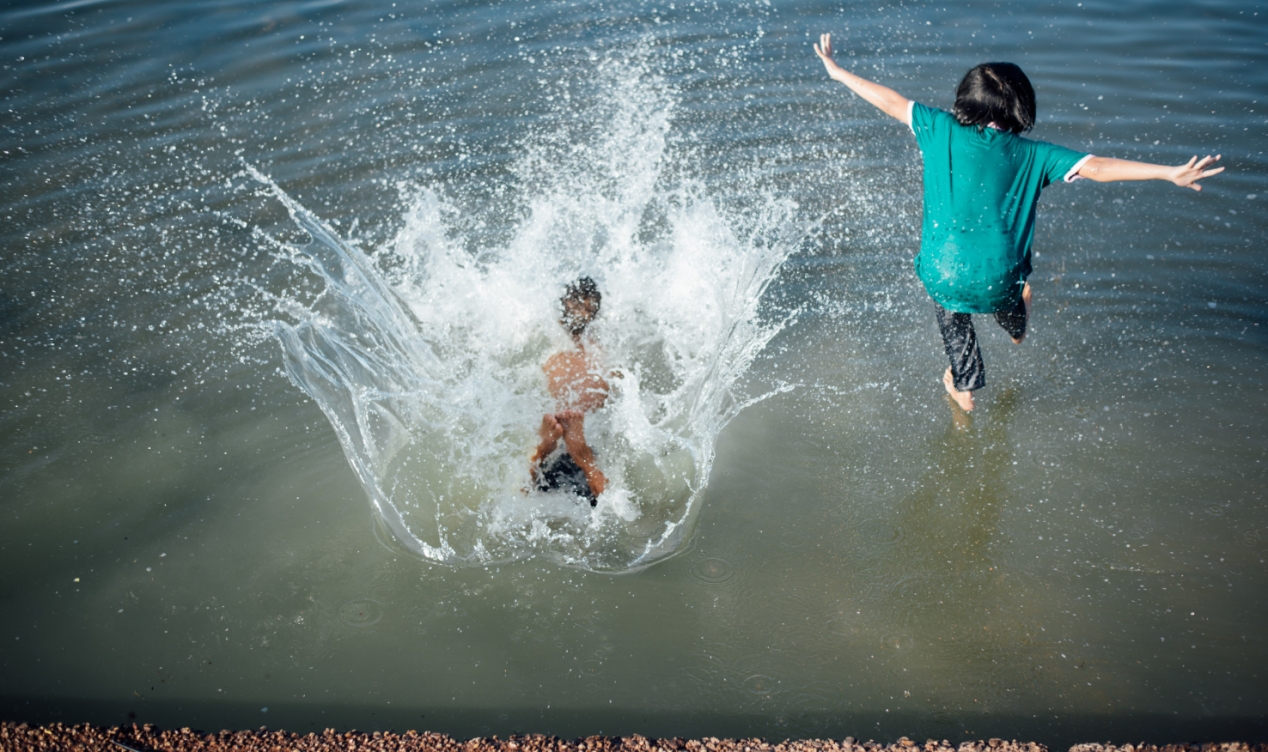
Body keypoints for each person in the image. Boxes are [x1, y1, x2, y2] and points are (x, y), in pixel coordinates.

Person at [813, 33, 1224, 412]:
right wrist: (1168, 172)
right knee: (1006, 299)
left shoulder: (936, 127)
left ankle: (964, 390)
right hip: (1000, 278)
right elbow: (1097, 167)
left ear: (967, 100)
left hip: (943, 274)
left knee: (952, 305)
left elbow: (887, 100)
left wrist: (836, 70)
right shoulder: (1036, 155)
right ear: (1020, 108)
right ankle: (1016, 329)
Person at [528, 277, 610, 506]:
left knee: (528, 488)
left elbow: (517, 493)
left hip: (556, 464)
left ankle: (549, 450)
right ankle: (577, 455)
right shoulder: (606, 364)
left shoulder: (546, 362)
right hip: (588, 460)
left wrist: (543, 449)